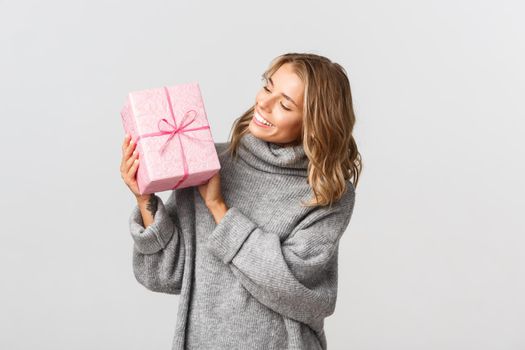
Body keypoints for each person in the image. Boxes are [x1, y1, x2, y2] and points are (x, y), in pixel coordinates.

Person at [119, 52, 362, 350]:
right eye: (268, 87)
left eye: (285, 104)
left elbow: (296, 291)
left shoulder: (328, 193)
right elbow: (165, 275)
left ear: (314, 123)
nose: (264, 103)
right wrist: (145, 198)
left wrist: (220, 209)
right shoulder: (209, 164)